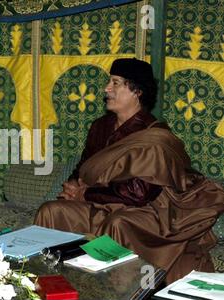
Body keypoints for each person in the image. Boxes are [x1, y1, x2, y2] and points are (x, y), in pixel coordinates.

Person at [34, 58, 224, 284]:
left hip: (145, 213)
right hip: (99, 205)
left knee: (118, 222)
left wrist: (85, 194)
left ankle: (113, 290)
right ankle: (48, 286)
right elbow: (85, 166)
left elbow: (139, 194)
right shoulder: (100, 127)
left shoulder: (154, 135)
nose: (107, 88)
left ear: (137, 91)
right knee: (51, 210)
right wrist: (72, 185)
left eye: (115, 83)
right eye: (109, 82)